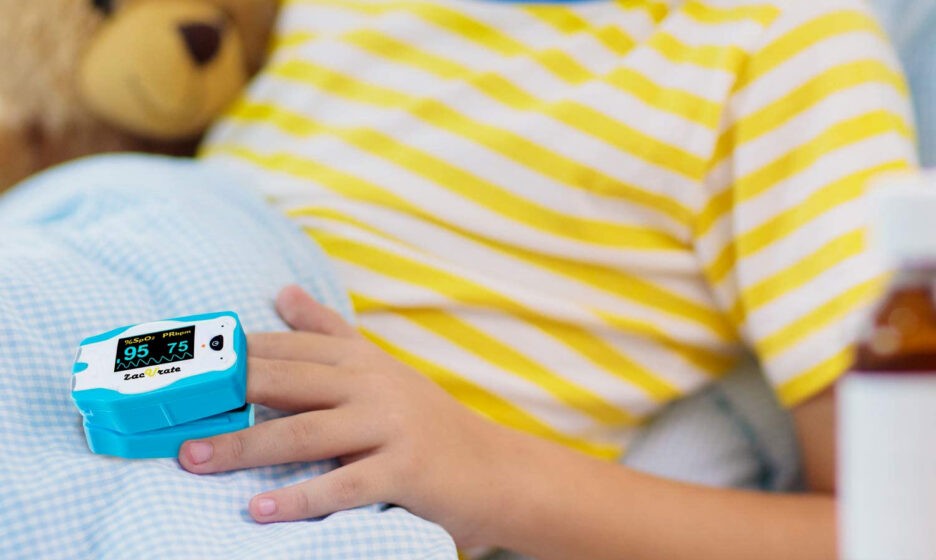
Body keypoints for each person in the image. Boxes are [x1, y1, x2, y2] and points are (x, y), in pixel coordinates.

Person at [186, 0, 918, 557]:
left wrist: (487, 473)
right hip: (147, 330)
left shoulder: (778, 47)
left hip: (262, 507)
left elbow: (899, 530)